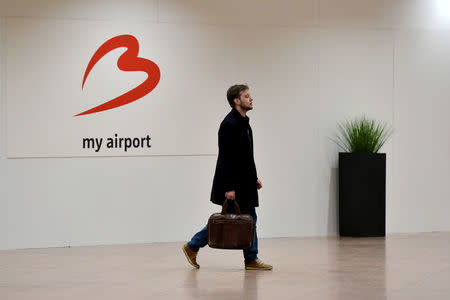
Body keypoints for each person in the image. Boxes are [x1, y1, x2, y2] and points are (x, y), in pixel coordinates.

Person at [182, 84, 273, 270]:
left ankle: (249, 258)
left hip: (244, 181)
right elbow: (226, 158)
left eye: (250, 95)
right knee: (236, 220)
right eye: (247, 96)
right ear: (236, 101)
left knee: (245, 219)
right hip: (234, 184)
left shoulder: (244, 122)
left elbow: (247, 156)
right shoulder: (229, 125)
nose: (251, 98)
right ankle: (194, 246)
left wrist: (254, 178)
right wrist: (229, 187)